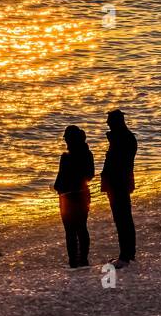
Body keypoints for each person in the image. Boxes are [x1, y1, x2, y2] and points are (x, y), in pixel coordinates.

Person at [100, 109, 137, 269]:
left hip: (118, 184)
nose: (107, 123)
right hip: (119, 183)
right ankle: (128, 253)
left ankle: (125, 256)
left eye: (109, 120)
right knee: (123, 219)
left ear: (116, 122)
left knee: (123, 219)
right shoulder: (123, 138)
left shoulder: (123, 139)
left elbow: (118, 164)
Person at [54, 125, 95, 268]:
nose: (66, 142)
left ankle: (74, 260)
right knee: (81, 228)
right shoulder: (87, 154)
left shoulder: (66, 157)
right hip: (82, 195)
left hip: (68, 198)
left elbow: (59, 181)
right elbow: (90, 175)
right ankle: (83, 259)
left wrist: (59, 187)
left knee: (71, 230)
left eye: (67, 139)